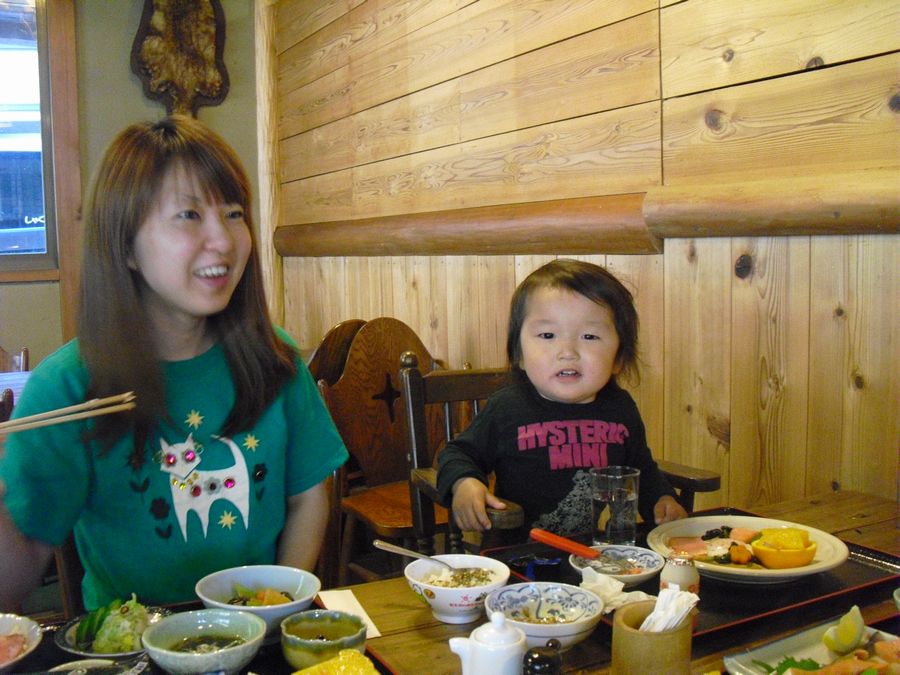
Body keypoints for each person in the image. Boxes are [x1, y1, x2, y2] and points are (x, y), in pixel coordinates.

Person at [0, 115, 348, 612]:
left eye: (233, 213)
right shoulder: (67, 387)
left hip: (259, 630)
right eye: (189, 215)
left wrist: (279, 605)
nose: (223, 240)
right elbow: (13, 583)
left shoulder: (274, 360)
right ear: (126, 246)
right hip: (131, 640)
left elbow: (308, 495)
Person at [437, 258, 687, 542]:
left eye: (589, 336)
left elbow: (640, 470)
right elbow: (458, 453)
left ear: (618, 358)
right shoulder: (507, 407)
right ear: (519, 355)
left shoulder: (620, 408)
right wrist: (464, 482)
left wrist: (662, 499)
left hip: (590, 556)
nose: (567, 351)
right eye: (547, 335)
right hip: (515, 555)